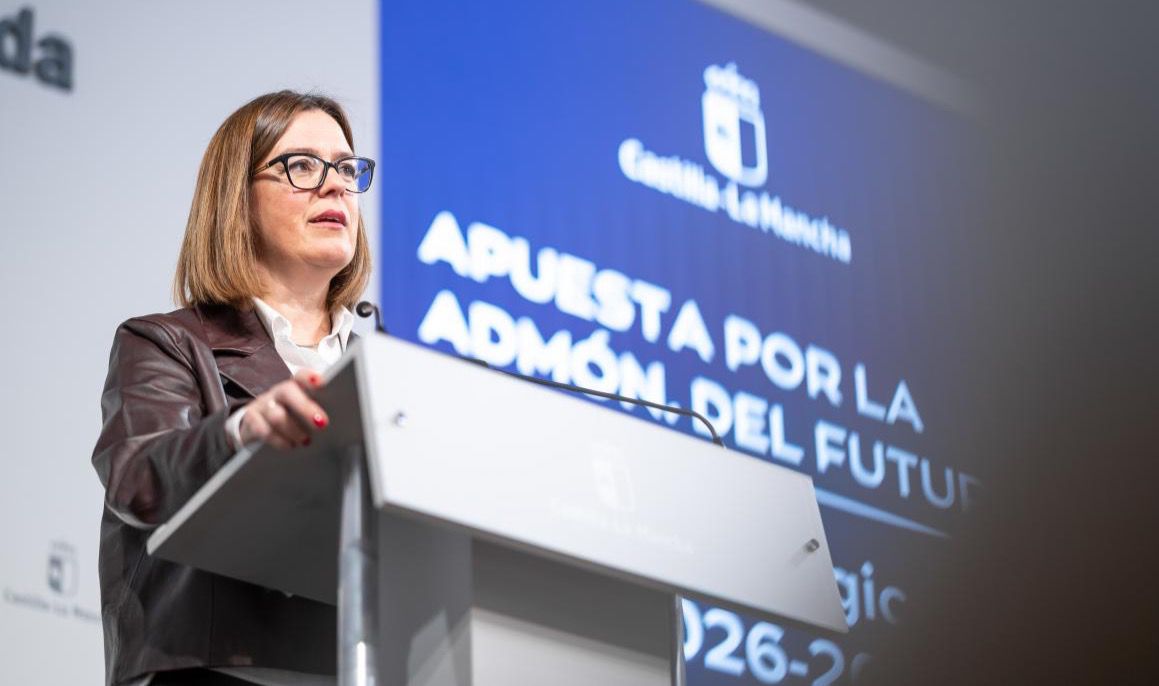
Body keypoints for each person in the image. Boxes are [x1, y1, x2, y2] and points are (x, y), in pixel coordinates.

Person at [91, 90, 375, 686]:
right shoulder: (166, 343)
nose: (335, 186)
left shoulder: (385, 370)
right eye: (302, 166)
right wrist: (240, 430)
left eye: (347, 169)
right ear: (235, 199)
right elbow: (137, 476)